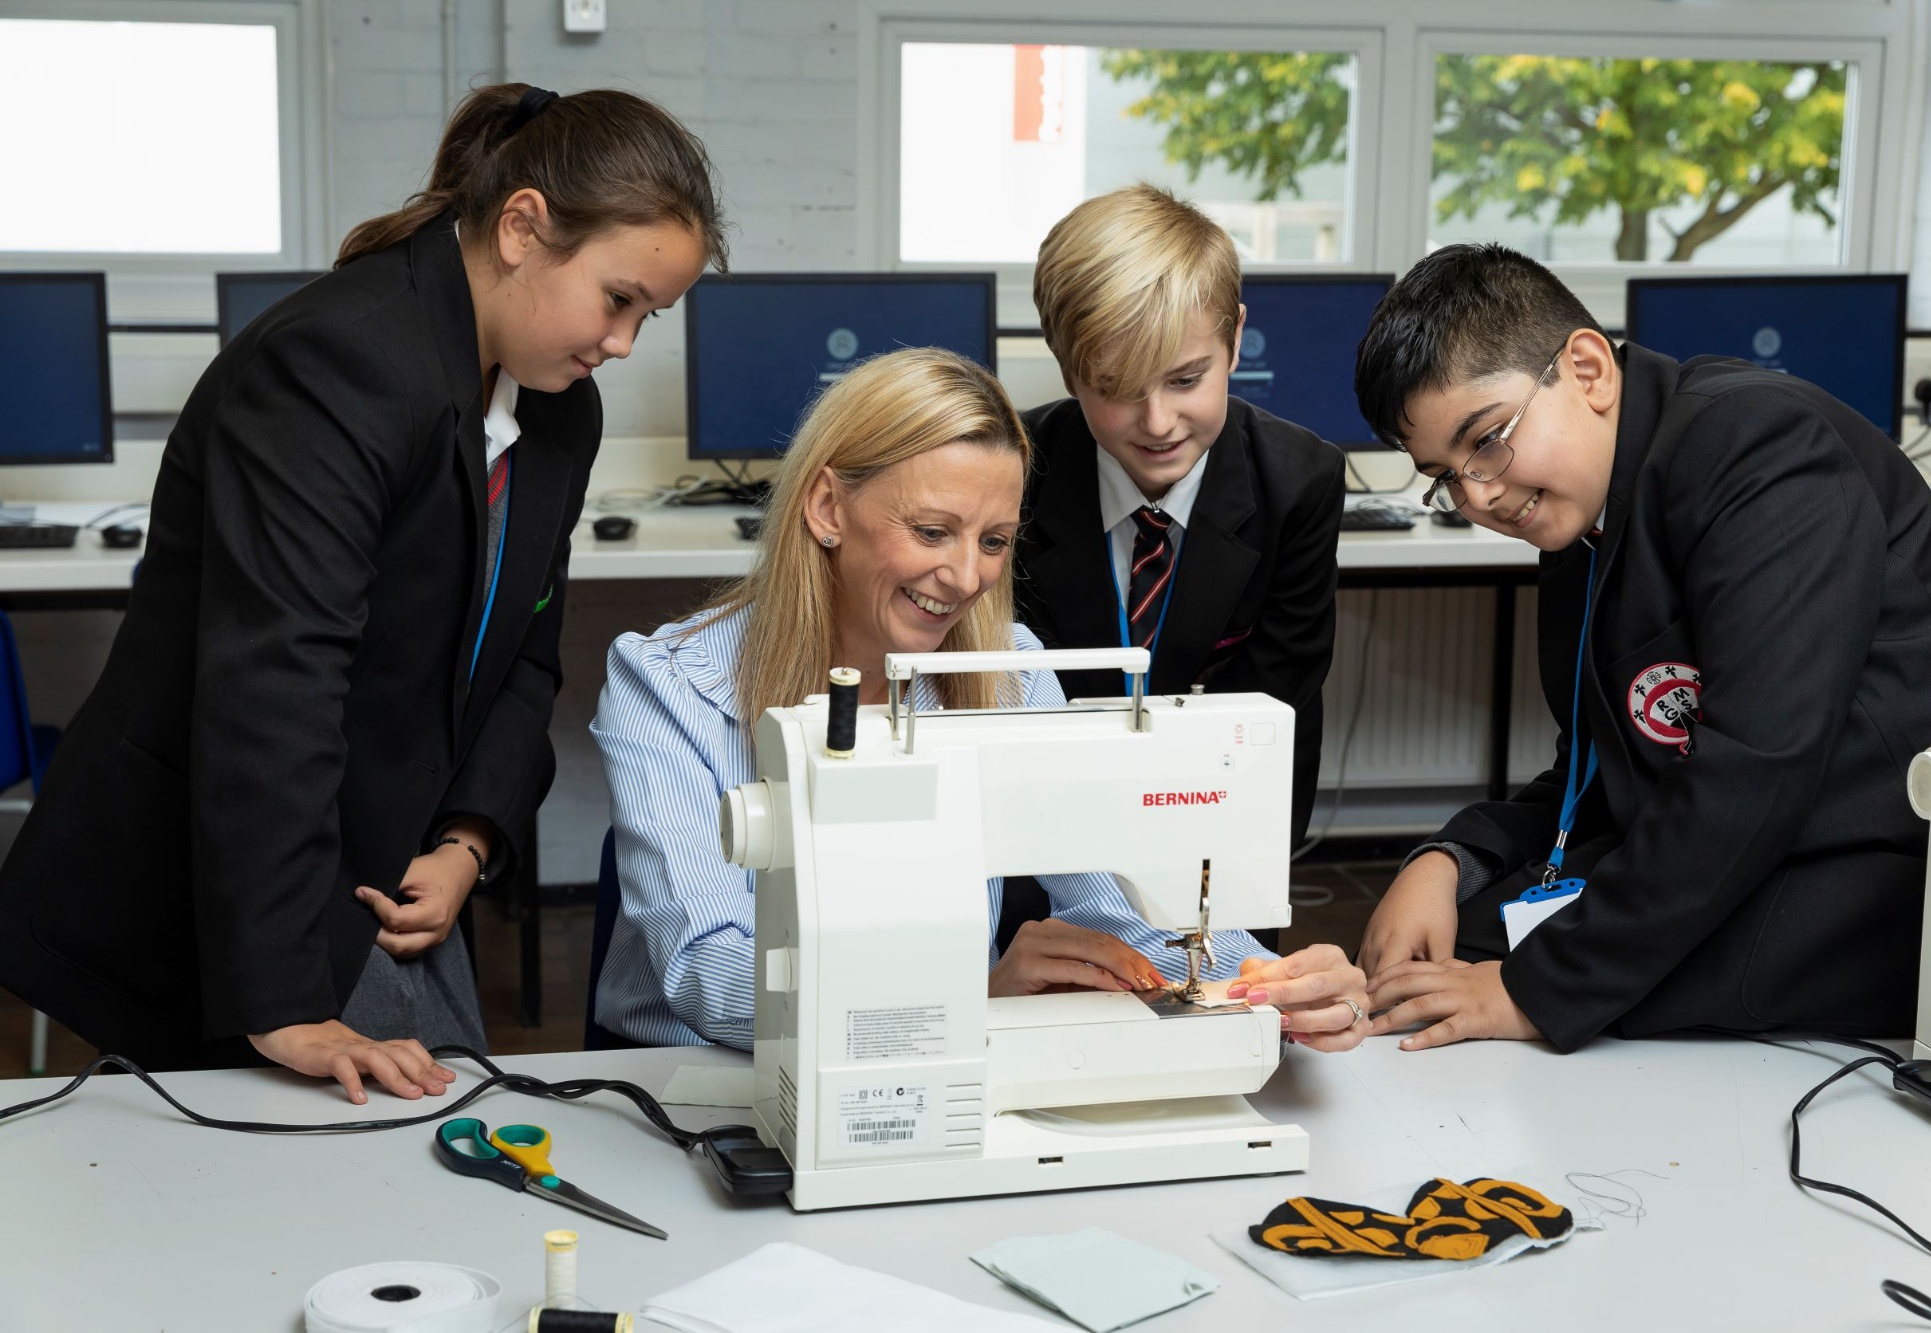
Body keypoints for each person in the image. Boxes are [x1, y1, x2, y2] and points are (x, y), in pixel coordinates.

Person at [0, 83, 723, 1102]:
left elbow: (520, 648)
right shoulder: (336, 360)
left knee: (451, 1132)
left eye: (651, 314)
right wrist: (286, 1000)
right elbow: (275, 683)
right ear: (522, 227)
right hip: (233, 874)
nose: (622, 343)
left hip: (387, 857)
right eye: (618, 299)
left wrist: (470, 838)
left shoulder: (557, 408)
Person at [591, 347, 1369, 1053]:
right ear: (828, 508)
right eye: (933, 532)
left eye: (994, 541)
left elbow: (1119, 899)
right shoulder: (666, 686)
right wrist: (963, 998)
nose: (967, 578)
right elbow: (705, 972)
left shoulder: (1013, 672)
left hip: (934, 1056)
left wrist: (1276, 978)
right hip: (698, 1082)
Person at [1351, 243, 1931, 1053]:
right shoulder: (1577, 511)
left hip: (1880, 874)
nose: (1478, 495)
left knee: (1491, 978)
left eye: (1485, 439)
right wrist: (1452, 857)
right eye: (1443, 474)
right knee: (1450, 952)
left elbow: (1755, 766)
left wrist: (1536, 988)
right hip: (1744, 842)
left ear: (1587, 370)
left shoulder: (1760, 450)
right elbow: (1602, 761)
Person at [1011, 184, 1345, 854]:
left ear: (1236, 338)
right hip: (1046, 819)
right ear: (1066, 367)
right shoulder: (1013, 477)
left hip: (1227, 815)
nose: (1159, 422)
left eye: (1187, 380)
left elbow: (1272, 714)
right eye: (1117, 390)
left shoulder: (1299, 483)